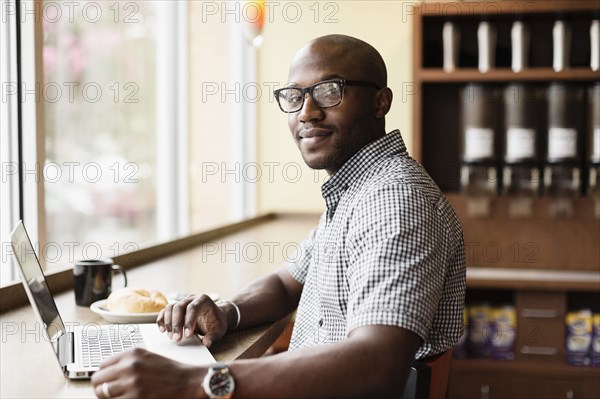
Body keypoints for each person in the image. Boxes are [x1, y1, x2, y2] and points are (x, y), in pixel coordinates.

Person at [91, 34, 465, 399]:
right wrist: (226, 312)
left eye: (329, 91)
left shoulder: (394, 200)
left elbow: (377, 366)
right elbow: (287, 284)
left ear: (380, 102)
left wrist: (193, 382)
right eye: (295, 96)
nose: (307, 112)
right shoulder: (357, 190)